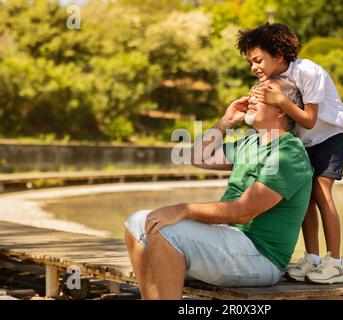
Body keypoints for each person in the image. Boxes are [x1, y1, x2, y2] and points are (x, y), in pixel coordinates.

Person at [124, 77, 313, 299]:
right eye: (253, 91)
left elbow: (243, 212)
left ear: (282, 110)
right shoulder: (250, 143)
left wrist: (183, 209)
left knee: (165, 229)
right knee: (137, 222)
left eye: (263, 95)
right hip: (227, 241)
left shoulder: (289, 153)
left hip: (260, 257)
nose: (252, 98)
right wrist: (225, 122)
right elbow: (196, 157)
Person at [237, 23, 343, 284]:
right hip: (304, 140)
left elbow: (310, 120)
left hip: (329, 135)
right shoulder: (270, 81)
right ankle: (312, 257)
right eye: (250, 62)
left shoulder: (308, 71)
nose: (253, 68)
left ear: (278, 56)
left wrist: (280, 101)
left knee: (321, 192)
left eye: (258, 60)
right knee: (304, 197)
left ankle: (335, 262)